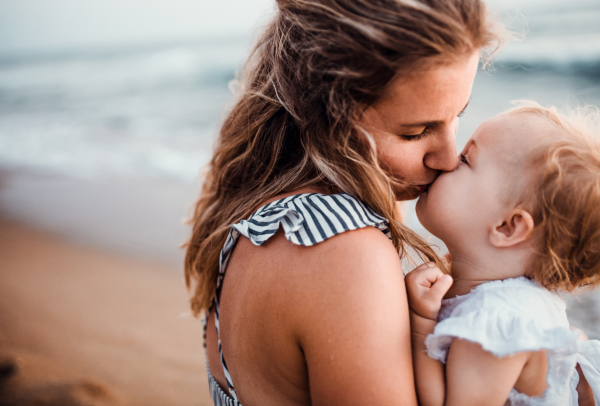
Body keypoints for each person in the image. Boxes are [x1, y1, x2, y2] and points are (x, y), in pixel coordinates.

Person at [184, 0, 500, 404]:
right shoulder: (341, 251)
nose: (448, 157)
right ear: (327, 114)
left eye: (457, 115)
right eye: (416, 131)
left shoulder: (259, 211)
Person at [407, 102, 600, 406]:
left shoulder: (496, 323)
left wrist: (421, 325)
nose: (446, 162)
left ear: (508, 227)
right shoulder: (494, 295)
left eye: (466, 159)